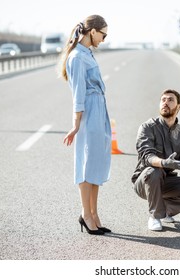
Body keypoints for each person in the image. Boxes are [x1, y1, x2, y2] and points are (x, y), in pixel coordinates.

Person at [131, 89, 180, 231]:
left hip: (167, 182)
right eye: (163, 100)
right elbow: (146, 155)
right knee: (154, 171)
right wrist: (163, 163)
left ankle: (165, 210)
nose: (165, 103)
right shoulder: (147, 127)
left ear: (179, 106)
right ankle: (155, 216)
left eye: (170, 100)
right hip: (145, 182)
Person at [60, 15, 111, 235]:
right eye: (103, 34)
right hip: (88, 112)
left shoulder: (88, 54)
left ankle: (93, 213)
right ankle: (86, 215)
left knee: (97, 164)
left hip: (98, 110)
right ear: (92, 31)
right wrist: (75, 125)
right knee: (86, 164)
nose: (104, 38)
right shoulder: (77, 58)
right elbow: (78, 94)